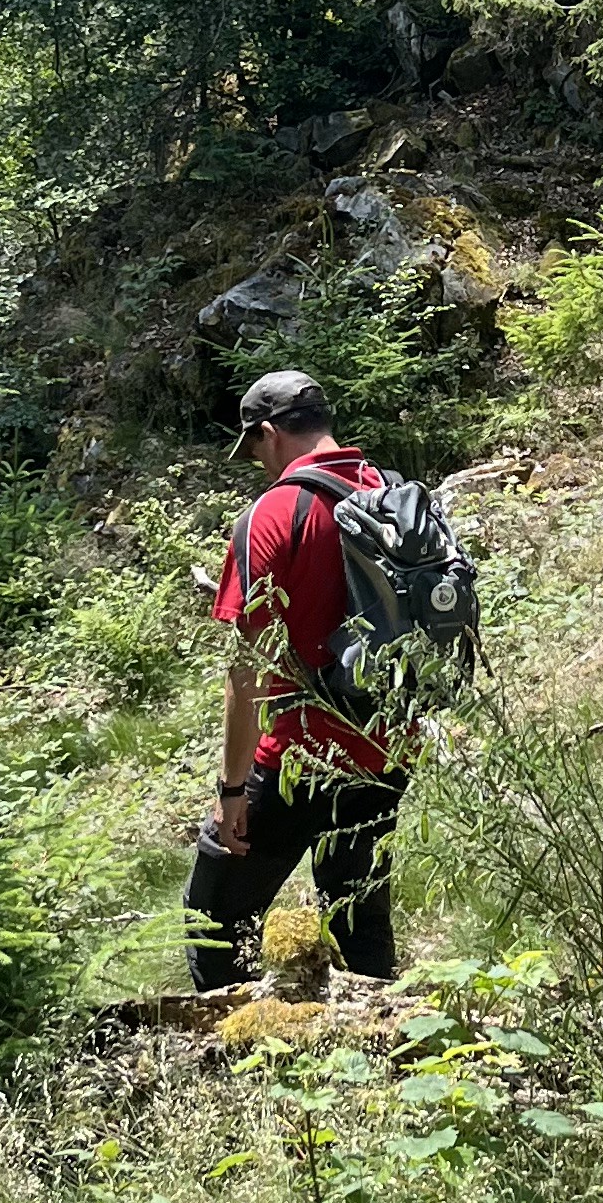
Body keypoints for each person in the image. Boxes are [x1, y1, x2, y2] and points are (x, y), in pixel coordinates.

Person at [187, 368, 407, 988]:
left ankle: (235, 1063)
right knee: (357, 917)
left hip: (300, 755)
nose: (256, 461)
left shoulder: (272, 514)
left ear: (267, 432)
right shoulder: (388, 493)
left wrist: (233, 792)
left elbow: (249, 670)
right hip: (386, 746)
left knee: (214, 917)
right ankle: (381, 1048)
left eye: (253, 446)